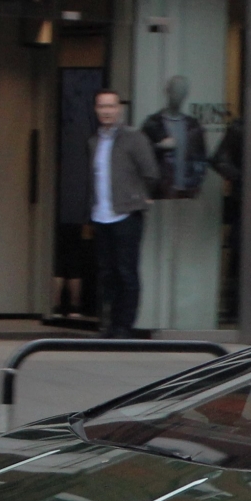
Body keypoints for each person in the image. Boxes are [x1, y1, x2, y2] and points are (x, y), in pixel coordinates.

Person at [88, 88, 160, 337]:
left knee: (126, 271)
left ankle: (124, 326)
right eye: (102, 106)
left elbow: (151, 171)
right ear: (96, 110)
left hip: (127, 213)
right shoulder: (94, 141)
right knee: (107, 273)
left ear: (119, 109)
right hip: (101, 214)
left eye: (111, 106)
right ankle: (108, 324)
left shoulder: (134, 137)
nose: (107, 111)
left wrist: (141, 197)